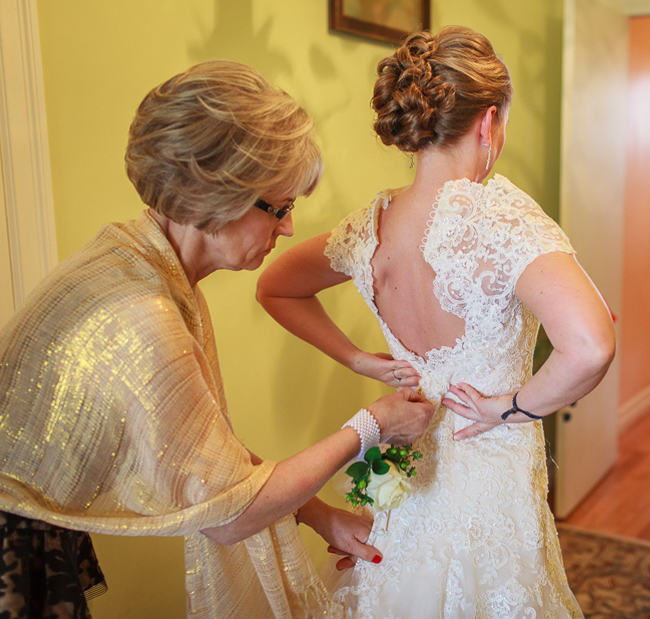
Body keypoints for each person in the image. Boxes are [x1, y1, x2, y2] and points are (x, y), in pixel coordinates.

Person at [0, 60, 435, 618]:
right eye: (279, 208)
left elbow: (208, 461)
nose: (289, 228)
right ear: (213, 198)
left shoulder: (139, 257)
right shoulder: (143, 315)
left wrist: (321, 515)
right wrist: (369, 427)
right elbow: (229, 514)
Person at [257, 26, 615, 617]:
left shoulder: (370, 226)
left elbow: (276, 287)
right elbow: (592, 345)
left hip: (406, 460)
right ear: (489, 122)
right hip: (491, 474)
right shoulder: (500, 214)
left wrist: (358, 358)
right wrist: (513, 406)